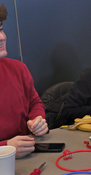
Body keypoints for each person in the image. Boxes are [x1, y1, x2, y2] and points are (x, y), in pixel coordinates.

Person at [0, 4, 48, 158]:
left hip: (28, 157)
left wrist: (37, 121)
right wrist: (5, 148)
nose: (2, 37)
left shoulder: (18, 69)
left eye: (0, 29)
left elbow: (35, 103)